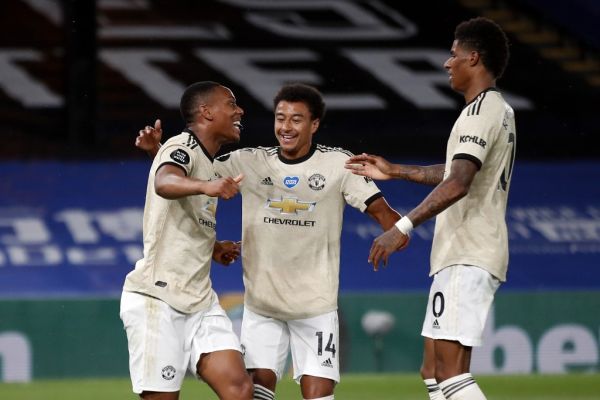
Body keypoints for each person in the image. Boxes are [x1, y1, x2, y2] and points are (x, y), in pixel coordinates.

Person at [136, 83, 403, 400]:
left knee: (318, 395)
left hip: (315, 305)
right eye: (280, 118)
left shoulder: (338, 165)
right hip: (262, 306)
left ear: (314, 124)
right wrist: (159, 151)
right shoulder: (248, 161)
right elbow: (190, 172)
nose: (286, 127)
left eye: (296, 119)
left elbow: (387, 216)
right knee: (252, 392)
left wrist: (398, 231)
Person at [346, 17, 515, 400]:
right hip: (460, 253)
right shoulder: (495, 109)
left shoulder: (480, 112)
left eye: (453, 55)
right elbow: (457, 169)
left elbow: (458, 182)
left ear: (473, 58)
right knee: (433, 372)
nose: (446, 63)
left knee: (452, 376)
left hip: (468, 251)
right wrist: (396, 171)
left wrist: (401, 227)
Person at [120, 81, 253, 400]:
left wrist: (214, 247)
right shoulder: (184, 146)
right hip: (159, 298)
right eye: (231, 104)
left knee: (239, 388)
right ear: (206, 112)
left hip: (199, 299)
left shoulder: (205, 161)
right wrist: (207, 187)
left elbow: (185, 215)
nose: (239, 111)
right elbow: (164, 181)